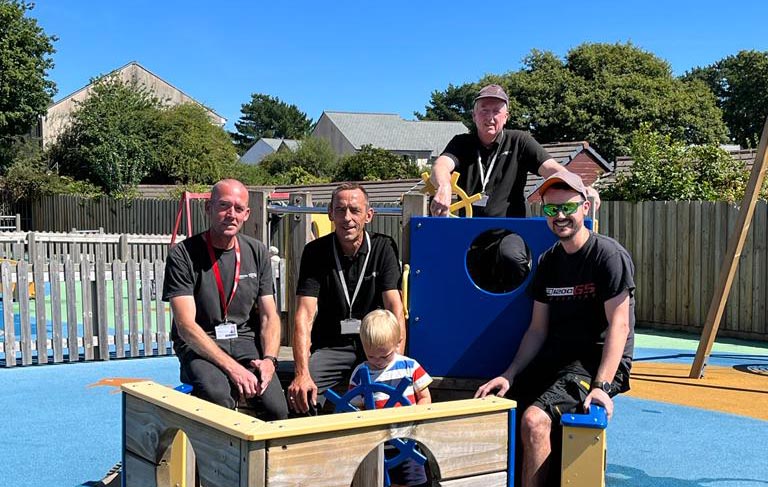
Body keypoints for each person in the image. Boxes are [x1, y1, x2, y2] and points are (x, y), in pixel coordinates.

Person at [475, 171, 634, 487]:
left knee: (534, 421)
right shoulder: (548, 262)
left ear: (585, 208)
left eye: (568, 207)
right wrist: (510, 373)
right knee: (497, 411)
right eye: (551, 209)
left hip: (594, 364)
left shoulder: (607, 255)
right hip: (557, 361)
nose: (560, 216)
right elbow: (537, 330)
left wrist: (602, 384)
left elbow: (620, 325)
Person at [430, 84, 600, 293]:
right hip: (468, 234)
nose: (490, 117)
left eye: (496, 111)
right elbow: (441, 165)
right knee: (447, 273)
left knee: (511, 258)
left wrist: (581, 187)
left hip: (509, 233)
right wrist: (444, 186)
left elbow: (553, 169)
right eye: (484, 110)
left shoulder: (520, 141)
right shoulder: (461, 143)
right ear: (474, 115)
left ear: (506, 116)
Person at [163, 179, 288, 420]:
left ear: (246, 214)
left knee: (277, 410)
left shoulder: (257, 252)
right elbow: (186, 327)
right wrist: (234, 370)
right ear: (208, 209)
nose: (231, 214)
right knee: (219, 397)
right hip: (201, 342)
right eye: (223, 206)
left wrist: (270, 360)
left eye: (238, 209)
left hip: (243, 340)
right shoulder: (183, 254)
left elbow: (269, 315)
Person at [287, 182, 405, 414]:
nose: (347, 218)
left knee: (388, 400)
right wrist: (302, 373)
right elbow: (304, 315)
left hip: (375, 345)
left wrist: (396, 362)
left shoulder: (383, 247)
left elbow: (395, 309)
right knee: (300, 397)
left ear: (369, 215)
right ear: (330, 213)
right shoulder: (315, 252)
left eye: (355, 210)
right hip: (332, 347)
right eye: (340, 210)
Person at [347, 309, 432, 487]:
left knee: (414, 482)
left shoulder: (410, 366)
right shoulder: (360, 374)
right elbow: (353, 409)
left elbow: (425, 397)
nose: (377, 361)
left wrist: (414, 416)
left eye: (384, 356)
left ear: (397, 343)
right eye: (370, 356)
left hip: (407, 443)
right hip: (375, 447)